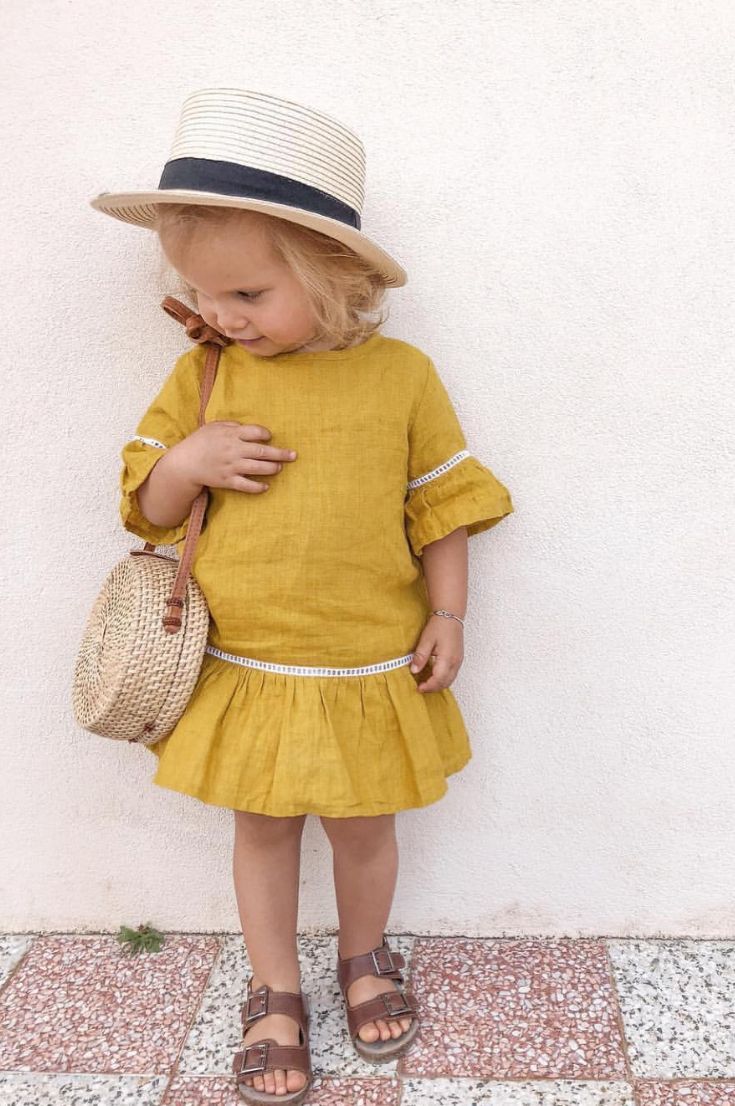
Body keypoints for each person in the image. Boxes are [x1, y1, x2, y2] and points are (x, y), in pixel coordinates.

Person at [90, 88, 514, 1104]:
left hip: (369, 658)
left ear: (332, 275)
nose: (223, 315)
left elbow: (440, 507)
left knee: (366, 829)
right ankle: (273, 989)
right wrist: (188, 461)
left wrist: (448, 613)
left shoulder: (401, 377)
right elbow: (147, 507)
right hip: (251, 662)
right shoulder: (205, 377)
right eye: (205, 293)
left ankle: (364, 957)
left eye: (248, 293)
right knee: (264, 829)